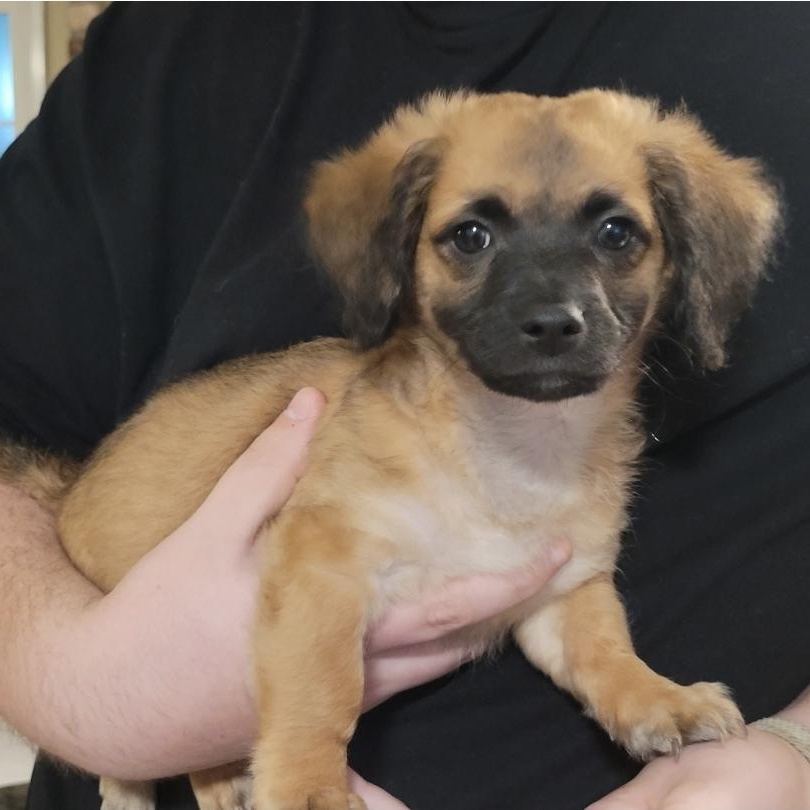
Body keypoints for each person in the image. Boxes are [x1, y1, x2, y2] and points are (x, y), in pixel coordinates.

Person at [0, 5, 808, 809]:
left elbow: (562, 586)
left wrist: (789, 749)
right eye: (473, 238)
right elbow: (318, 574)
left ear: (686, 259)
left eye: (615, 236)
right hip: (120, 555)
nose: (552, 308)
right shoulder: (165, 47)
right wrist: (97, 695)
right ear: (397, 251)